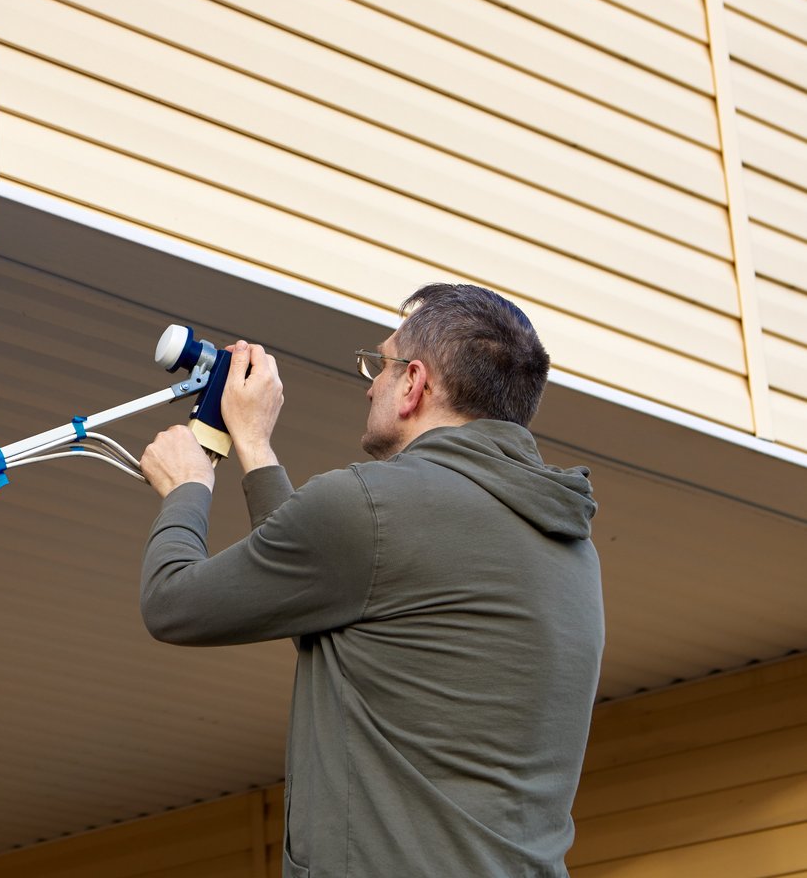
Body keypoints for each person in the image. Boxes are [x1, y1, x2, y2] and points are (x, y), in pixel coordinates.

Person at [138, 283, 604, 878]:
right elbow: (325, 598)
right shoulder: (568, 544)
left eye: (379, 365)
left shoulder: (372, 505)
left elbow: (172, 603)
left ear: (414, 383)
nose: (370, 385)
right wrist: (253, 443)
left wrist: (186, 487)